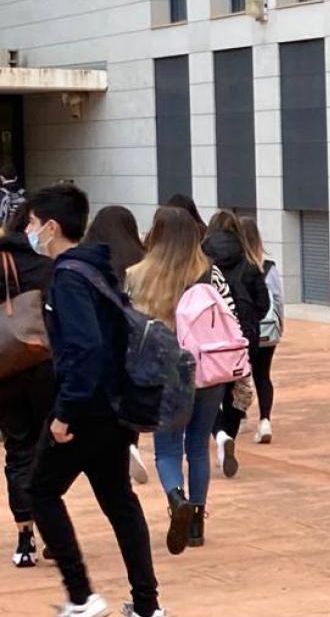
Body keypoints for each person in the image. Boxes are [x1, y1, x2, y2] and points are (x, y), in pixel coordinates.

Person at [24, 183, 166, 617]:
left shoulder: (68, 276)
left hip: (87, 410)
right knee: (120, 502)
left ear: (51, 227)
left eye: (31, 223)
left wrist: (65, 413)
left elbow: (85, 348)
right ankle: (146, 605)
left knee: (39, 490)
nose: (29, 231)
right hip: (114, 406)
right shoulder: (96, 267)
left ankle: (82, 595)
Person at [126, 207, 235, 555]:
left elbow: (129, 323)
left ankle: (177, 498)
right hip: (205, 367)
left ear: (155, 233)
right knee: (198, 445)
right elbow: (228, 314)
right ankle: (197, 524)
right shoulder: (209, 271)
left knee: (167, 449)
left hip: (162, 372)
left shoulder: (137, 274)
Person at [0, 203, 54, 569]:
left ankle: (25, 537)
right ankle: (53, 529)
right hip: (44, 367)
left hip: (4, 371)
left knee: (18, 450)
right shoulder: (47, 266)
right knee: (46, 449)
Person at [82, 205, 150, 485]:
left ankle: (117, 446)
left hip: (101, 339)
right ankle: (130, 441)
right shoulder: (141, 260)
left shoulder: (90, 261)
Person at [202, 210, 269, 478]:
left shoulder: (200, 261)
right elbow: (263, 304)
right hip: (242, 339)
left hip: (207, 339)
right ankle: (228, 435)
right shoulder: (249, 262)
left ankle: (218, 434)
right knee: (236, 391)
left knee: (206, 394)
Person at [239, 217, 282, 444]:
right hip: (267, 332)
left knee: (238, 375)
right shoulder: (268, 268)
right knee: (263, 375)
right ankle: (265, 420)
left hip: (242, 331)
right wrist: (279, 327)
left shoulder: (236, 268)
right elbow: (277, 299)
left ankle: (241, 416)